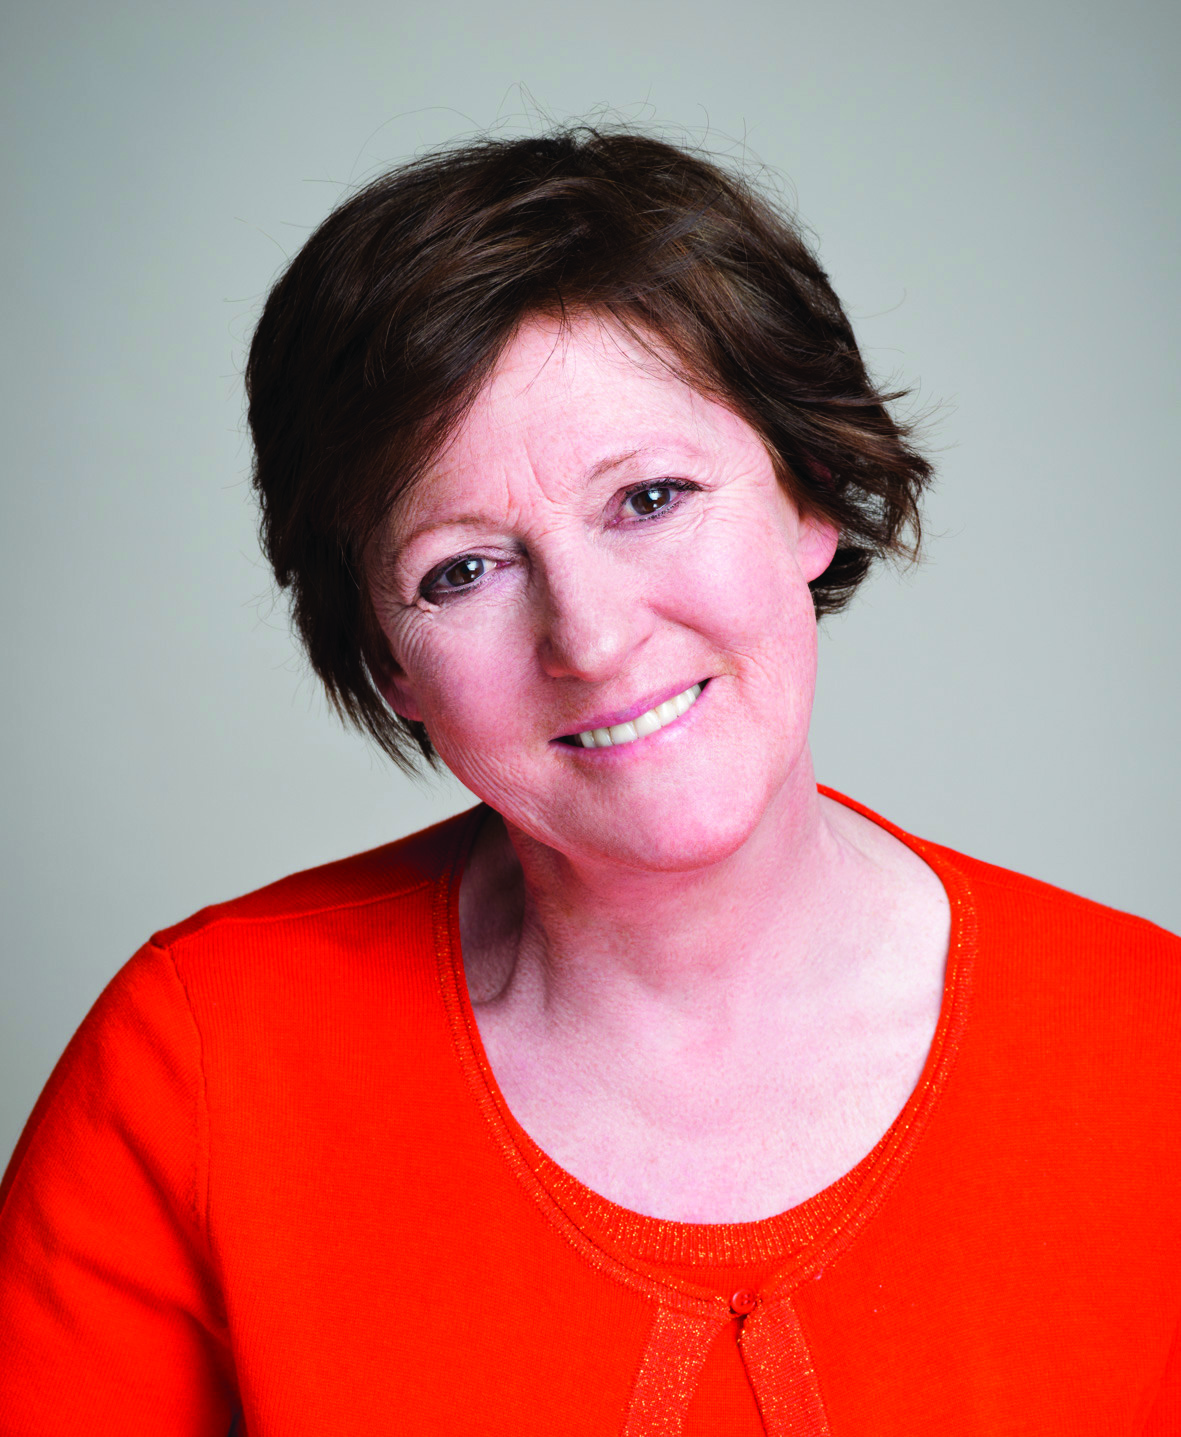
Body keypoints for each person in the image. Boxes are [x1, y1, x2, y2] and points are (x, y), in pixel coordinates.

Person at [1, 126, 1178, 1436]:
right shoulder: (197, 1069)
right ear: (388, 661)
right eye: (463, 570)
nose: (594, 639)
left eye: (651, 497)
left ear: (811, 492)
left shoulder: (1154, 1056)